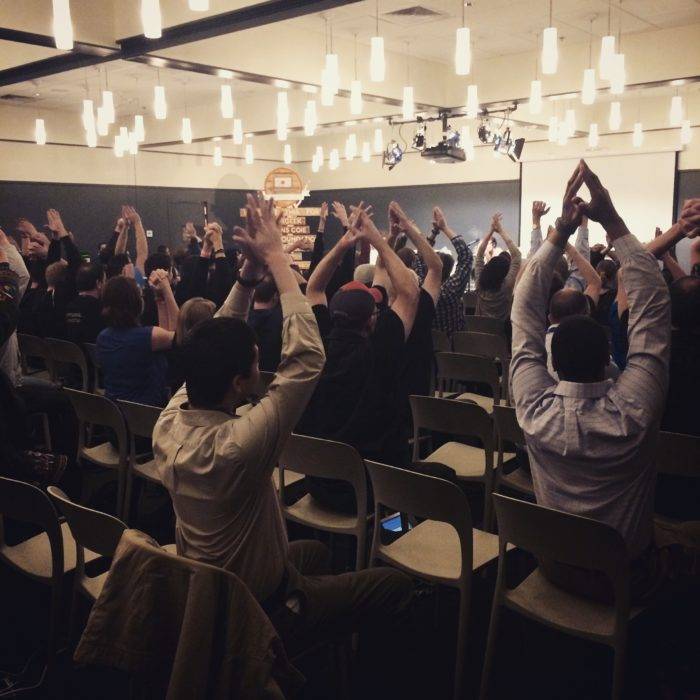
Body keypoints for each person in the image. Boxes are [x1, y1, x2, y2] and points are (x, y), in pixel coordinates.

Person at [153, 193, 412, 644]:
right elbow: (305, 361)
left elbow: (205, 348)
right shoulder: (239, 444)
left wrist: (248, 279)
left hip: (208, 584)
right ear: (239, 382)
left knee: (312, 550)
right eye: (255, 362)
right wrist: (275, 258)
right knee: (395, 585)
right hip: (253, 605)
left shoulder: (169, 422)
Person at [510, 160, 700, 604]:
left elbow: (522, 310)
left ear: (549, 357)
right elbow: (652, 305)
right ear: (607, 365)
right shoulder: (633, 411)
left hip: (551, 562)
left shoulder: (532, 410)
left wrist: (558, 231)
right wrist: (612, 221)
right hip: (625, 578)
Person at [299, 204, 419, 513]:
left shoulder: (318, 344)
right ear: (371, 321)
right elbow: (408, 292)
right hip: (375, 491)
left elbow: (314, 286)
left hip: (321, 484)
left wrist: (344, 244)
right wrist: (377, 240)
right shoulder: (382, 348)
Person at [97, 273, 175, 407]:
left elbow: (165, 335)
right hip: (150, 414)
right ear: (135, 302)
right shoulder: (148, 337)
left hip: (115, 413)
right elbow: (178, 334)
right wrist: (168, 290)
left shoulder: (103, 337)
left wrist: (160, 300)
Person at [413, 206, 473, 335]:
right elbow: (466, 257)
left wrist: (434, 233)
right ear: (451, 268)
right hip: (454, 350)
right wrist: (444, 228)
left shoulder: (421, 286)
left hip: (429, 347)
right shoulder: (450, 291)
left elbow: (419, 257)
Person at [475, 213, 522, 320]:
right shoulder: (506, 287)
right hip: (501, 335)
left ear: (487, 269)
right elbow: (517, 256)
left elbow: (479, 256)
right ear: (505, 273)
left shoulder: (479, 286)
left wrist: (491, 230)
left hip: (480, 333)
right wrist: (500, 231)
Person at [64, 262, 106, 345]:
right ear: (98, 284)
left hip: (72, 356)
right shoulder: (102, 310)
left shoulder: (68, 306)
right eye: (104, 280)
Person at [248, 277, 283, 372]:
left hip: (246, 377)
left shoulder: (241, 319)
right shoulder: (282, 321)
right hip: (274, 376)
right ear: (275, 296)